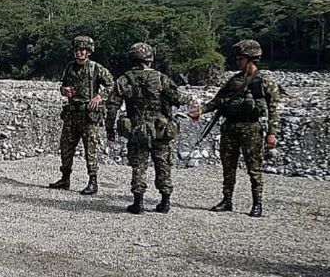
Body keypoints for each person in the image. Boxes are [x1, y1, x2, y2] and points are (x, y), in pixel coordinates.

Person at [188, 39, 279, 217]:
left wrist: (271, 133)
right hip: (230, 128)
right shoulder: (234, 80)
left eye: (240, 58)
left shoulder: (265, 81)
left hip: (251, 128)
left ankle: (257, 203)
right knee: (228, 166)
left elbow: (273, 109)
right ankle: (227, 199)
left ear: (251, 59)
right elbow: (217, 100)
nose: (238, 62)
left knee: (254, 167)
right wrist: (201, 111)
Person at [105, 42, 194, 214]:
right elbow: (177, 98)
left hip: (137, 129)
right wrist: (190, 98)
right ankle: (165, 201)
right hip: (160, 129)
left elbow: (112, 107)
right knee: (162, 163)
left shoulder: (124, 80)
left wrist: (110, 130)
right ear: (150, 59)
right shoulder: (160, 78)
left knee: (139, 164)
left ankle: (138, 203)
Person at [49, 36, 114, 195]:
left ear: (89, 52)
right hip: (72, 114)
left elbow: (112, 85)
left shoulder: (96, 68)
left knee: (90, 148)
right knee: (66, 147)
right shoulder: (70, 68)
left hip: (89, 115)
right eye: (77, 50)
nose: (79, 53)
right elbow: (63, 86)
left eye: (82, 50)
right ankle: (65, 179)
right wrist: (64, 91)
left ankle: (93, 181)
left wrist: (99, 97)